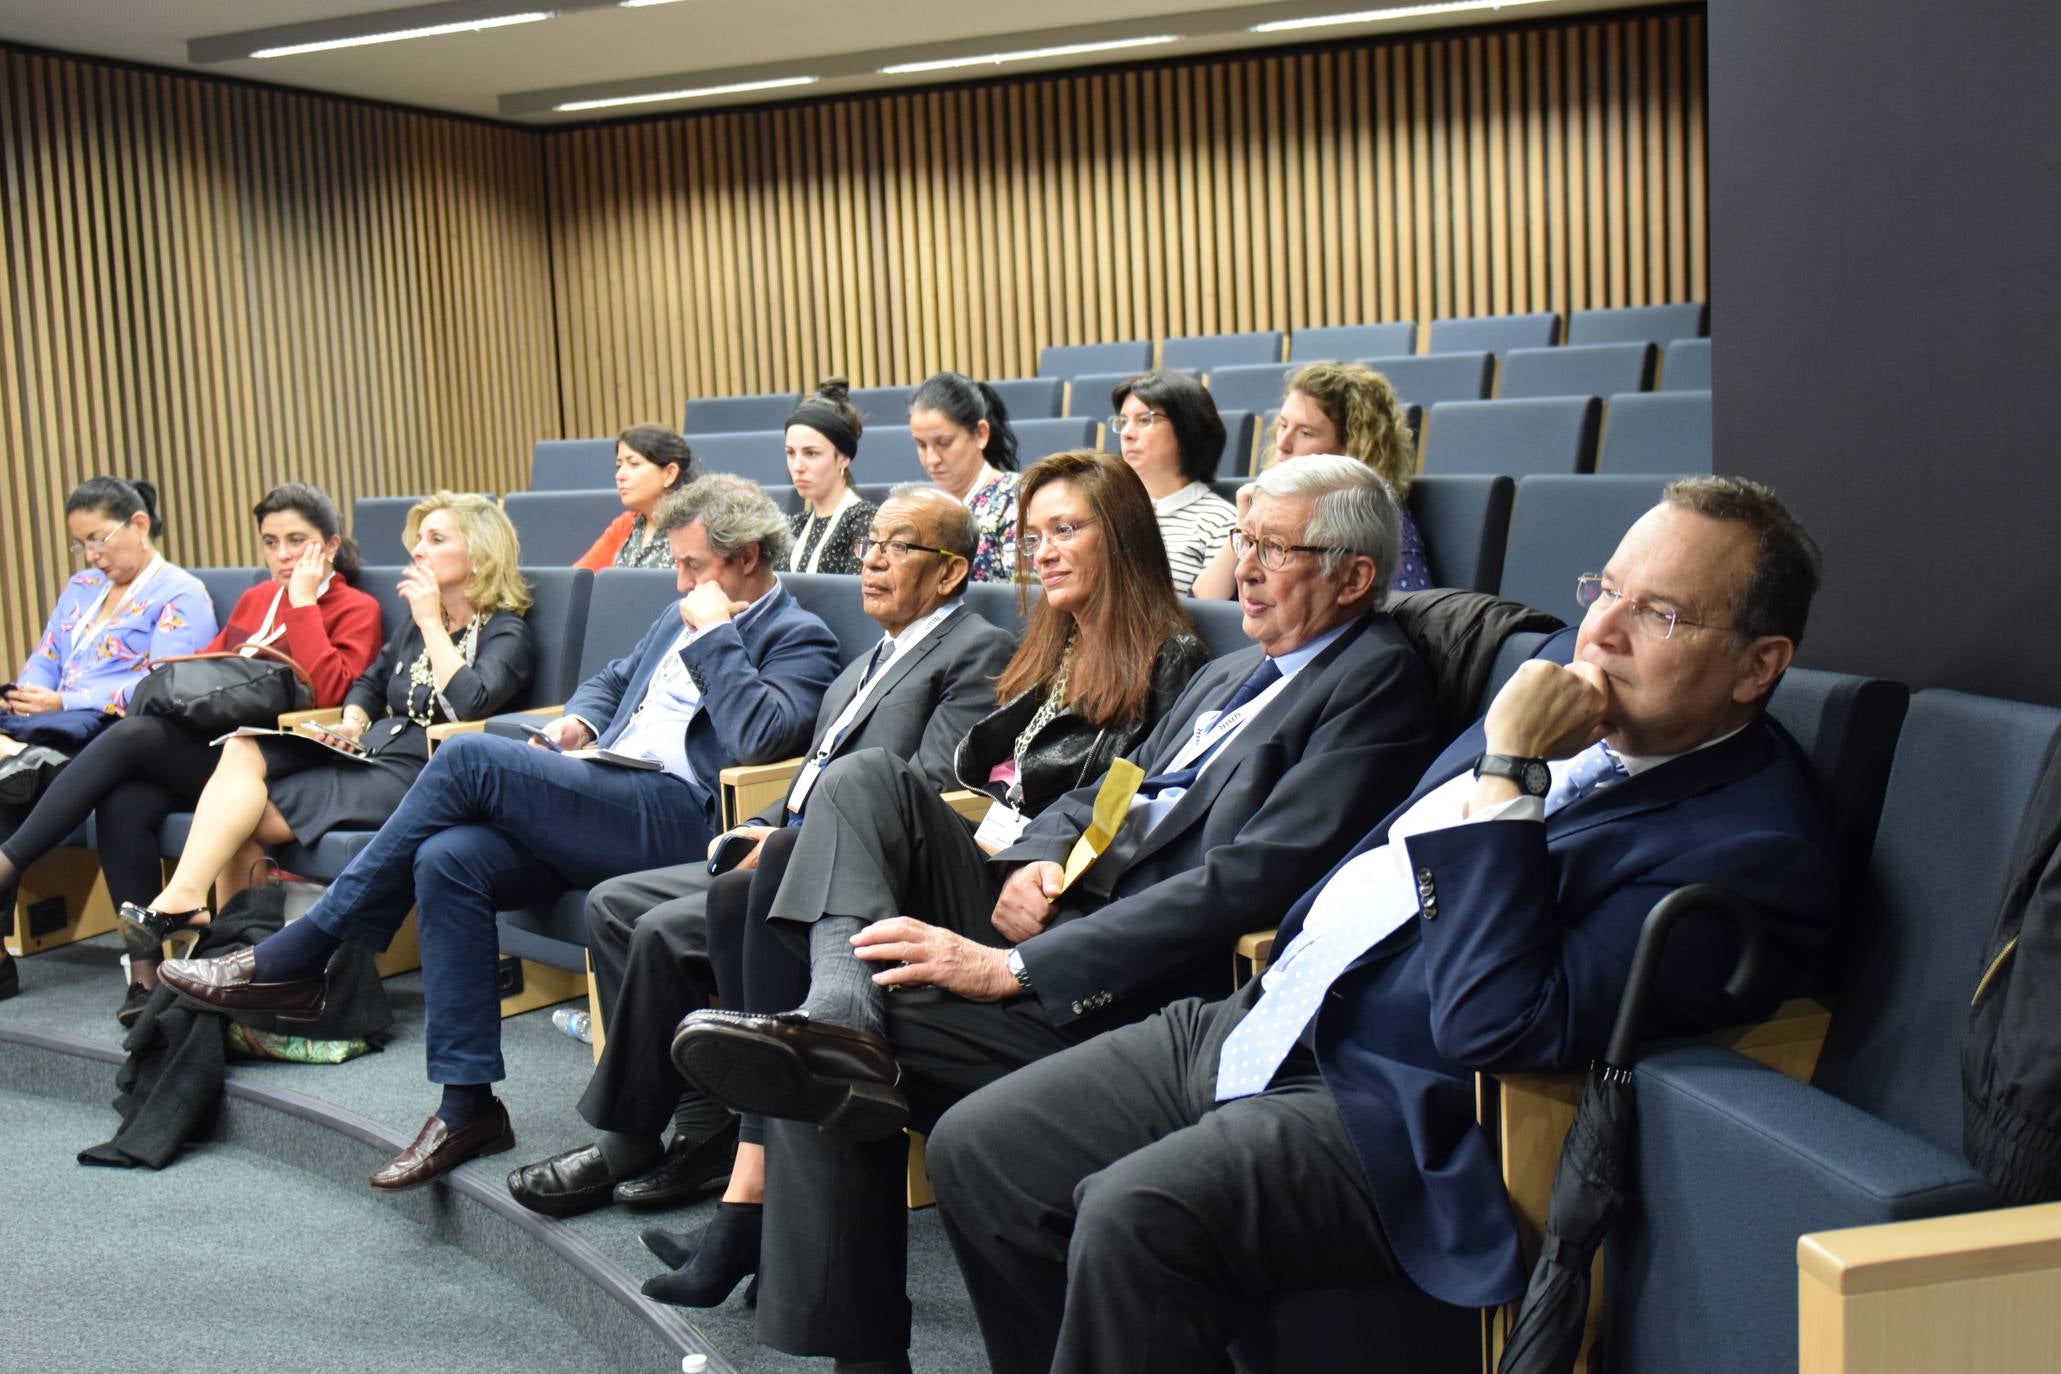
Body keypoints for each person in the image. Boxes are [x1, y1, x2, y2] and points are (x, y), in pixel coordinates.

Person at [926, 475, 1839, 1374]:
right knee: (982, 1148)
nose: (1600, 631)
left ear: (1758, 665)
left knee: (1136, 1214)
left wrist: (1511, 772)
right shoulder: (1572, 675)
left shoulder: (1751, 849)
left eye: (1661, 615)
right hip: (1276, 1008)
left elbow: (1499, 1022)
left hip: (1399, 1103)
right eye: (1604, 590)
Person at [669, 454, 1445, 1368]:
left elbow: (1251, 880)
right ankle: (838, 1014)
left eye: (1274, 549)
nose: (1244, 566)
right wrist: (1038, 857)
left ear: (1354, 577)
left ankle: (860, 1342)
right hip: (1067, 903)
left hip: (1130, 988)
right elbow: (1114, 790)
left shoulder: (1372, 682)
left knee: (823, 1052)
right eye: (1244, 541)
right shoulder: (1236, 673)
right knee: (863, 782)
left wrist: (1015, 968)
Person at [528, 455, 1207, 1306]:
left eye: (1066, 530)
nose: (1043, 552)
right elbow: (994, 778)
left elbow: (1130, 794)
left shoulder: (1167, 655)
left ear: (1124, 537)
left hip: (1031, 897)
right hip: (977, 855)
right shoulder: (1054, 645)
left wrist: (1040, 852)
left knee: (861, 781)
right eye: (1034, 535)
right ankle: (747, 1202)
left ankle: (830, 1024)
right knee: (748, 884)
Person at [158, 475, 840, 1193]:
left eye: (693, 565)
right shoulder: (677, 614)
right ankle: (467, 1105)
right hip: (604, 787)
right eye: (676, 564)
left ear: (746, 556)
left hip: (680, 815)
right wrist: (578, 721)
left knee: (467, 756)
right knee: (449, 857)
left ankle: (303, 951)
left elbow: (760, 739)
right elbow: (612, 681)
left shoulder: (797, 636)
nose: (679, 582)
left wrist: (719, 637)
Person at [500, 484, 1015, 1223]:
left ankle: (629, 1140)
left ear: (951, 571)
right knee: (614, 904)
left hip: (852, 877)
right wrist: (752, 828)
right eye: (869, 544)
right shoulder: (868, 661)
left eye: (898, 547)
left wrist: (786, 841)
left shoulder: (974, 650)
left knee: (661, 928)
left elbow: (922, 797)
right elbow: (808, 773)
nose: (872, 562)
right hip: (784, 845)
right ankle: (703, 1119)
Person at [0, 483, 381, 1022]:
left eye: (297, 541)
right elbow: (203, 668)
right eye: (271, 542)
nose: (283, 555)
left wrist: (302, 605)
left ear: (331, 545)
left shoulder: (356, 607)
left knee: (133, 737)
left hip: (277, 758)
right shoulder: (255, 599)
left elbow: (332, 692)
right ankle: (145, 976)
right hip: (213, 747)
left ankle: (8, 863)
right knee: (125, 799)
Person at [116, 492, 538, 960]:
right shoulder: (421, 623)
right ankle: (203, 920)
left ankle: (228, 952)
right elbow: (370, 683)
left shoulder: (505, 632)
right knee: (242, 749)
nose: (418, 551)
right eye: (418, 539)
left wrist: (431, 626)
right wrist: (353, 719)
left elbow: (471, 706)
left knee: (239, 822)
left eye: (436, 540)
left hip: (428, 771)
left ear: (479, 555)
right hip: (372, 750)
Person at [0, 477, 218, 1001]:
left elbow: (160, 688)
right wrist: (29, 698)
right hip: (57, 731)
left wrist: (65, 702)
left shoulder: (181, 593)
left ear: (138, 524)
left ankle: (7, 867)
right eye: (81, 544)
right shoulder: (81, 588)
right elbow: (46, 658)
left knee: (34, 781)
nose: (93, 555)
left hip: (124, 732)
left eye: (99, 539)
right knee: (10, 779)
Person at [1190, 361, 1432, 598]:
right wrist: (1245, 525)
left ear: (1352, 449)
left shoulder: (1383, 526)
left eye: (1305, 433)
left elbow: (1412, 612)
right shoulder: (1263, 508)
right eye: (1283, 425)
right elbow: (1204, 603)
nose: (1283, 443)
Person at [1108, 371, 1239, 595]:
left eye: (1144, 420)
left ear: (1187, 428)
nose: (1127, 433)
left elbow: (1208, 613)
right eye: (1123, 422)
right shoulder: (1107, 509)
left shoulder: (1222, 522)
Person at [908, 371, 1020, 583]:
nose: (931, 459)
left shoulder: (1014, 498)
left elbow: (1025, 594)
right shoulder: (919, 505)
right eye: (921, 445)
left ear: (980, 434)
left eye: (944, 443)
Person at [778, 379, 877, 576]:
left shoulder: (865, 523)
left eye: (811, 453)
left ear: (843, 458)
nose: (797, 467)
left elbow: (857, 592)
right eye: (791, 453)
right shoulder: (795, 525)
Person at [573, 425, 699, 571]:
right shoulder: (624, 525)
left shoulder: (696, 529)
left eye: (634, 464)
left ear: (669, 474)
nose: (619, 476)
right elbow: (577, 576)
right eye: (619, 466)